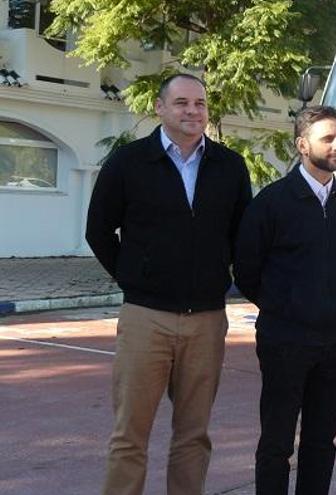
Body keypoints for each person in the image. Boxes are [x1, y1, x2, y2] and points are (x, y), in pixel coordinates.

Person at [85, 73, 253, 495]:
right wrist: (133, 277)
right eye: (181, 103)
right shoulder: (128, 162)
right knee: (129, 436)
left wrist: (224, 278)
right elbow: (98, 230)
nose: (192, 111)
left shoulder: (230, 166)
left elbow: (241, 236)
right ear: (159, 108)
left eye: (199, 103)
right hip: (146, 318)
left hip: (208, 320)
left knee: (194, 435)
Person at [233, 105, 336, 495]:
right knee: (276, 442)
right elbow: (246, 270)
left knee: (322, 442)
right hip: (284, 340)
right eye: (328, 138)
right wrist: (285, 305)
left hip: (334, 341)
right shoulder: (271, 202)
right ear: (302, 145)